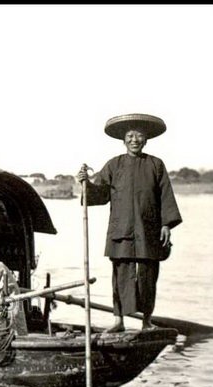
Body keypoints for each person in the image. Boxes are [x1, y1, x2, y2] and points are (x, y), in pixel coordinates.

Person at [76, 113, 182, 332]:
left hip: (149, 231)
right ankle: (118, 320)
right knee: (121, 276)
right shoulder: (113, 165)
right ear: (123, 140)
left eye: (139, 136)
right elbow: (100, 194)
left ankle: (146, 321)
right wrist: (86, 184)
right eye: (130, 136)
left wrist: (166, 225)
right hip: (120, 230)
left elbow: (166, 196)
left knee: (147, 277)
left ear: (146, 139)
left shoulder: (156, 164)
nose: (135, 140)